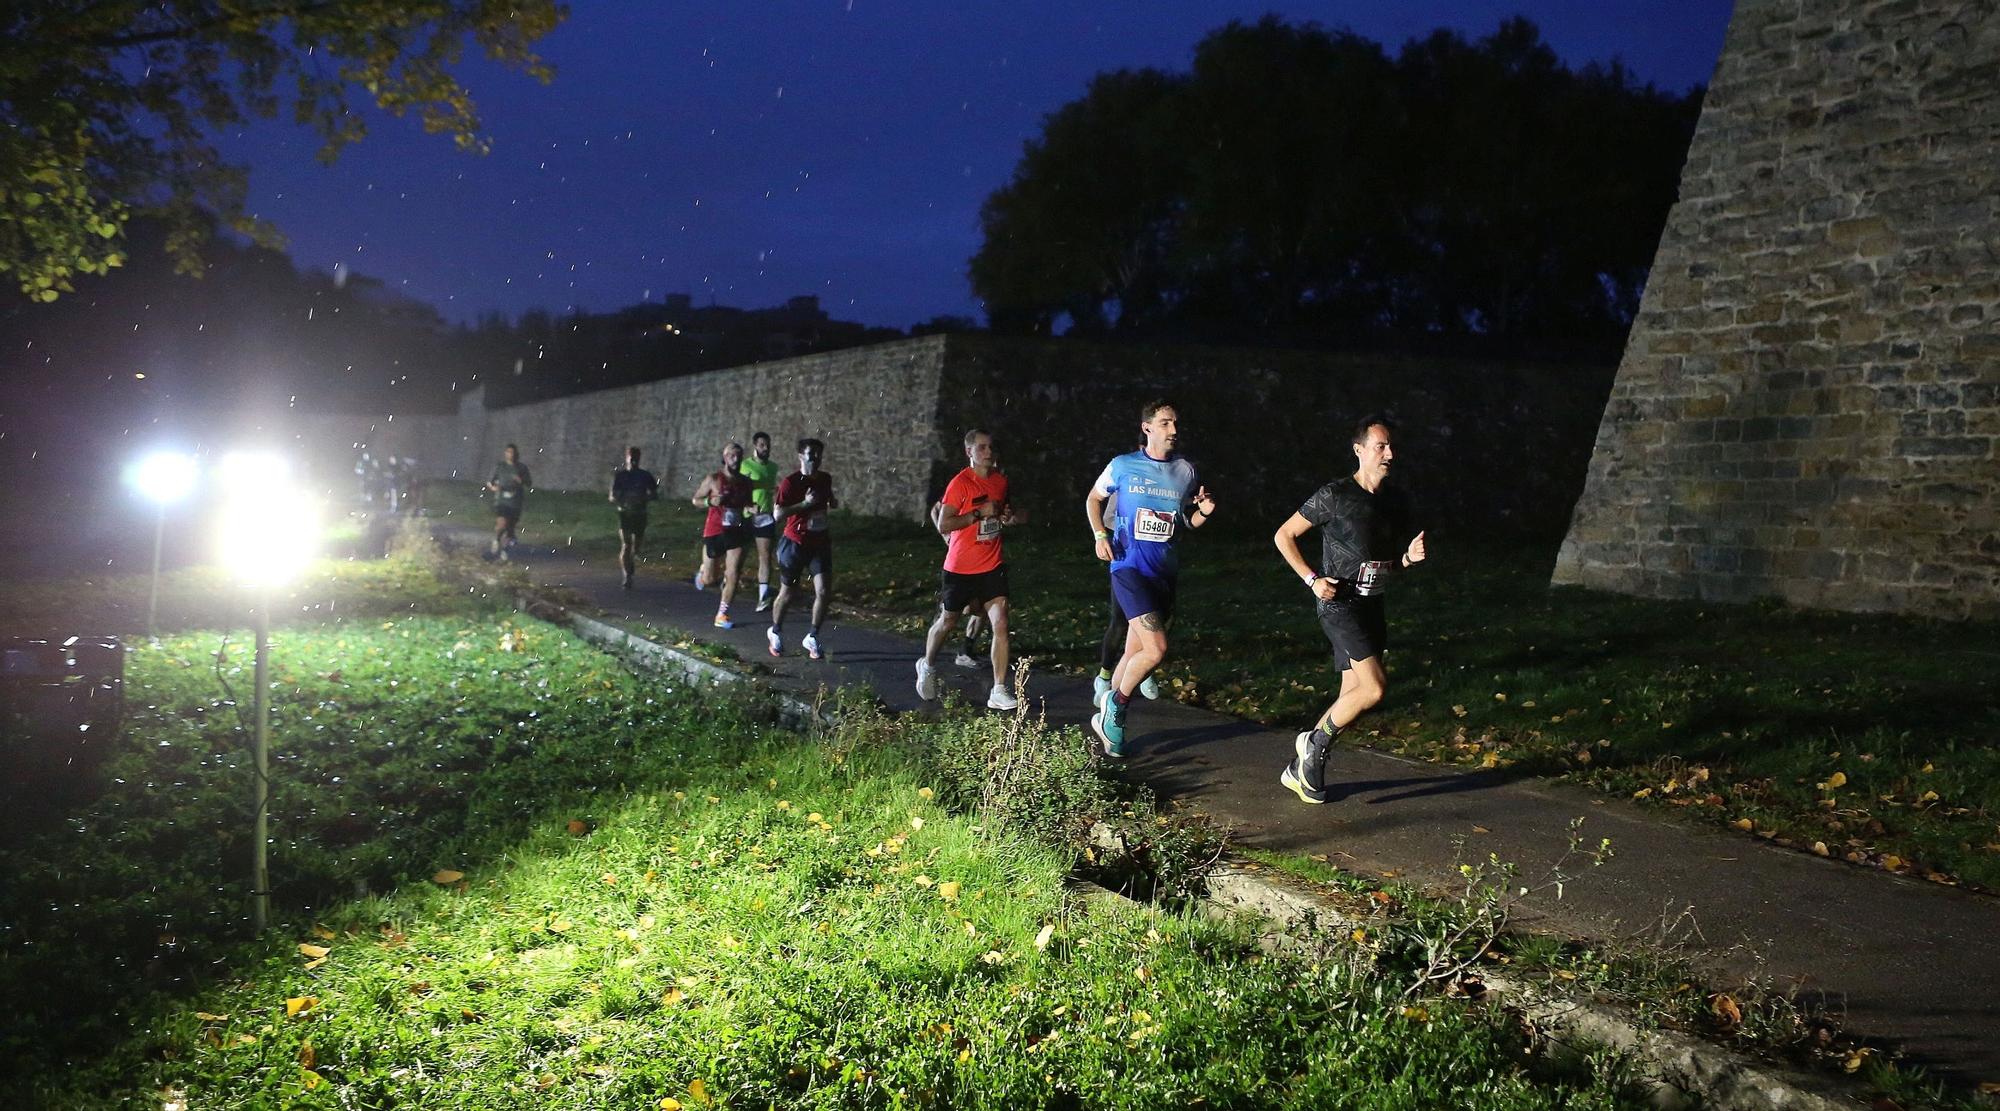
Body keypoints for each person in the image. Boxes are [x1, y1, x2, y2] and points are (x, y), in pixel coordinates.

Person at [1270, 415, 1428, 804]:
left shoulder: (1395, 501)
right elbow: (1283, 535)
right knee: (1374, 688)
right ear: (1359, 451)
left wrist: (1407, 559)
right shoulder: (1334, 495)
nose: (1389, 453)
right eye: (1381, 446)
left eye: (1391, 446)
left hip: (1373, 605)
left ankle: (1301, 769)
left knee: (1352, 694)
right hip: (1339, 605)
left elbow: (1386, 561)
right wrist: (1312, 579)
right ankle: (1313, 743)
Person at [1083, 400, 1216, 758]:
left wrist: (1202, 513)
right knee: (1156, 649)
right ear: (1147, 428)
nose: (1173, 431)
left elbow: (1185, 521)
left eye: (1175, 424)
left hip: (1164, 573)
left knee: (1135, 649)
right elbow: (1093, 499)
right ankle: (1117, 706)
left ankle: (1108, 711)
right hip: (1127, 567)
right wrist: (1100, 536)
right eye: (1165, 423)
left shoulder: (1185, 471)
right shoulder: (1123, 466)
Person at [916, 430, 1022, 711]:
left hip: (992, 564)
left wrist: (1008, 517)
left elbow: (1011, 513)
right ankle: (926, 665)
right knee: (948, 622)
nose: (988, 452)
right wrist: (977, 514)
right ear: (969, 452)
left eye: (991, 447)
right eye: (982, 447)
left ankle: (998, 689)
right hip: (960, 568)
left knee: (1000, 622)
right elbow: (944, 524)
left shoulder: (1000, 481)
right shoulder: (960, 483)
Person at [766, 438, 837, 660]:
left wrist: (832, 502)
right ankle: (775, 631)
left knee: (824, 592)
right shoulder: (791, 482)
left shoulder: (825, 478)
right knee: (788, 593)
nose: (815, 459)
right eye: (811, 454)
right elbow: (777, 515)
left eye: (818, 454)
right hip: (794, 543)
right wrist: (804, 505)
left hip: (820, 543)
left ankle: (813, 636)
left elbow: (828, 497)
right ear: (800, 456)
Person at [691, 442, 753, 628]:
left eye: (739, 456)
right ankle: (702, 575)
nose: (736, 459)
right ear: (725, 458)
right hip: (715, 530)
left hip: (735, 530)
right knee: (710, 580)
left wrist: (752, 508)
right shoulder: (713, 479)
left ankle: (722, 614)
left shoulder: (745, 482)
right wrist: (711, 502)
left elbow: (747, 503)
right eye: (732, 456)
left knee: (733, 573)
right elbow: (696, 500)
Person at [931, 499, 988, 668]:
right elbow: (935, 509)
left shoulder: (994, 487)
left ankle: (966, 651)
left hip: (981, 557)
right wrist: (946, 536)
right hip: (959, 558)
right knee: (954, 615)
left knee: (982, 607)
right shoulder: (962, 488)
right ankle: (928, 664)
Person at [740, 431, 782, 612]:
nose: (766, 449)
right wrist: (747, 507)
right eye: (762, 445)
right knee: (739, 556)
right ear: (755, 446)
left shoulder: (773, 467)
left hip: (765, 516)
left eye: (768, 445)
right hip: (746, 515)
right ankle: (726, 580)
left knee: (765, 556)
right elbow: (739, 490)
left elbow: (770, 488)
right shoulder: (745, 465)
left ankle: (763, 597)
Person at [608, 445, 660, 589]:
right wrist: (623, 501)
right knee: (626, 544)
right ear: (627, 458)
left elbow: (655, 494)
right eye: (631, 457)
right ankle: (627, 575)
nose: (633, 460)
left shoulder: (645, 476)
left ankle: (631, 563)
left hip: (640, 512)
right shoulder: (620, 476)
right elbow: (612, 496)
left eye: (636, 457)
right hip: (624, 513)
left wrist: (643, 498)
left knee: (636, 547)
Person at [485, 444, 532, 559]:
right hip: (502, 500)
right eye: (508, 452)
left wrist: (520, 480)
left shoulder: (522, 468)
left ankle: (505, 550)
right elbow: (489, 482)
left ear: (517, 454)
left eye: (513, 453)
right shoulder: (500, 467)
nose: (511, 455)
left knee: (510, 528)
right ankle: (496, 540)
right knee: (502, 523)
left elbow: (529, 483)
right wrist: (494, 488)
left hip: (515, 501)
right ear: (505, 453)